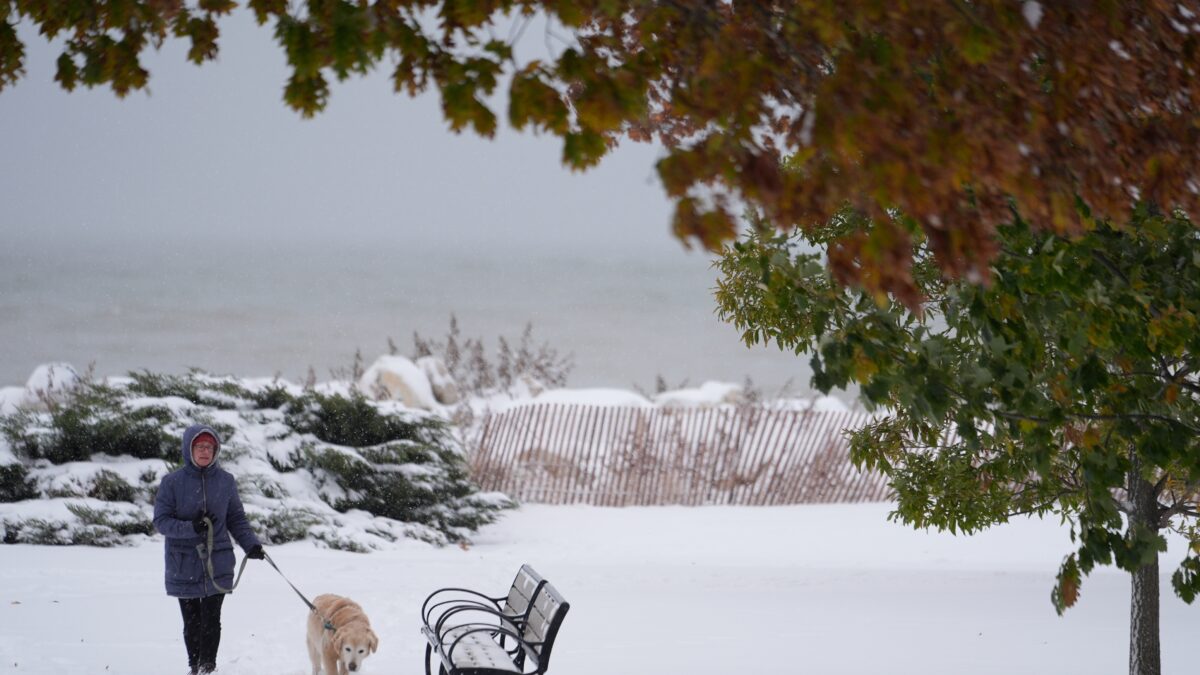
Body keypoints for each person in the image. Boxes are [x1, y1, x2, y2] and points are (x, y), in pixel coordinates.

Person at [154, 424, 266, 674]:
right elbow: (161, 522)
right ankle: (194, 665)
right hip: (184, 563)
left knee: (211, 618)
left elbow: (236, 518)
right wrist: (191, 527)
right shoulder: (172, 483)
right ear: (189, 449)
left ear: (216, 450)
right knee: (192, 621)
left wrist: (251, 544)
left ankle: (207, 667)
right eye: (199, 446)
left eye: (209, 447)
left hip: (218, 561)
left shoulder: (226, 481)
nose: (204, 451)